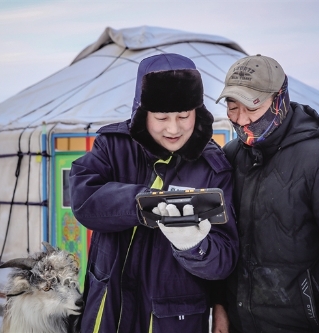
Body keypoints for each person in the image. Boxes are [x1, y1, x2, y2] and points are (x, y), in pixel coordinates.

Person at [211, 55, 319, 333]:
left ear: (279, 100)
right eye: (233, 108)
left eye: (252, 107)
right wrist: (221, 305)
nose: (241, 119)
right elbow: (224, 241)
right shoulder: (231, 156)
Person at [69, 53, 239, 333]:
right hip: (107, 311)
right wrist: (145, 204)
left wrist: (195, 246)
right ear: (142, 111)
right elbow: (84, 200)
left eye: (183, 116)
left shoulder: (213, 167)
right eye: (161, 117)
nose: (174, 128)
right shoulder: (113, 146)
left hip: (172, 320)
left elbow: (226, 259)